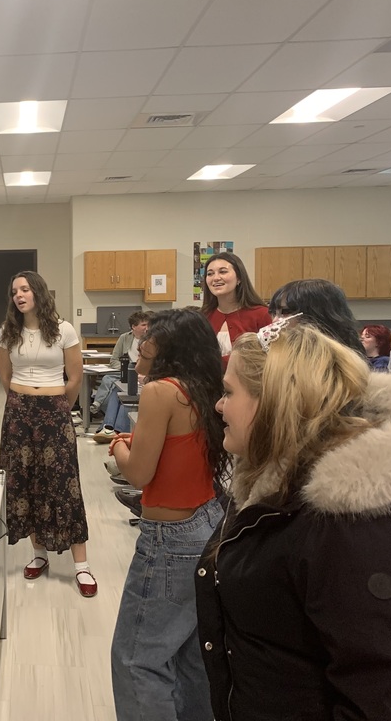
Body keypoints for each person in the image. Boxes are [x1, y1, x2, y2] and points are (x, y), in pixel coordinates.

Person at [197, 322, 391, 719]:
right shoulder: (278, 490)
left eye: (230, 392)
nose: (220, 405)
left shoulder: (361, 530)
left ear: (275, 401)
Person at [107, 309, 229, 721]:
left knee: (136, 659)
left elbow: (140, 473)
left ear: (167, 352)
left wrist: (119, 447)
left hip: (169, 537)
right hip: (206, 523)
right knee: (189, 659)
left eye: (145, 352)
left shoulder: (161, 392)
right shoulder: (206, 388)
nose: (138, 361)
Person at [0, 271, 95, 598]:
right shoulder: (8, 332)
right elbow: (5, 375)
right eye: (14, 291)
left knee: (63, 481)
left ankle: (81, 566)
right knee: (26, 481)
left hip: (54, 410)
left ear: (38, 291)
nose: (19, 295)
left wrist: (56, 407)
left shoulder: (64, 329)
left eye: (24, 289)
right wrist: (22, 402)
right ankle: (38, 553)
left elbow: (75, 377)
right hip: (19, 412)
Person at [200, 252, 270, 366]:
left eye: (223, 272)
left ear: (239, 278)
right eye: (210, 274)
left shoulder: (262, 314)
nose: (216, 278)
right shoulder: (203, 317)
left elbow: (270, 357)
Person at [91, 311, 151, 443]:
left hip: (144, 377)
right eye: (143, 325)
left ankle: (112, 429)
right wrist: (126, 368)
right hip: (127, 371)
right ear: (133, 327)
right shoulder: (125, 338)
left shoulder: (151, 340)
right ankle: (109, 428)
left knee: (121, 392)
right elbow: (114, 359)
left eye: (148, 324)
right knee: (113, 385)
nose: (146, 328)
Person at [267, 278, 364, 353]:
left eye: (285, 312)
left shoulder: (344, 362)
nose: (275, 321)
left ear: (316, 315)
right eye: (274, 313)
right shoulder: (279, 353)